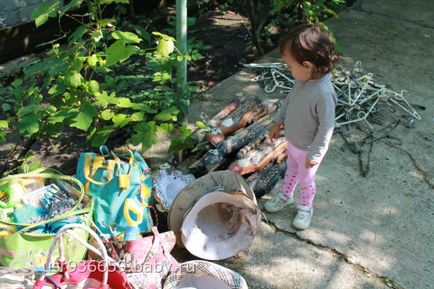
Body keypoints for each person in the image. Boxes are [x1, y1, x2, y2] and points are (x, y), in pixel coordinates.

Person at [264, 24, 338, 230]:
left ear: (307, 65)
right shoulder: (303, 82)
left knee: (306, 180)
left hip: (309, 150)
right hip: (294, 142)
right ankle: (285, 195)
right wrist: (278, 121)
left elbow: (327, 126)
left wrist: (316, 153)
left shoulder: (323, 94)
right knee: (291, 171)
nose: (289, 69)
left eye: (290, 66)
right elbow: (289, 101)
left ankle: (306, 207)